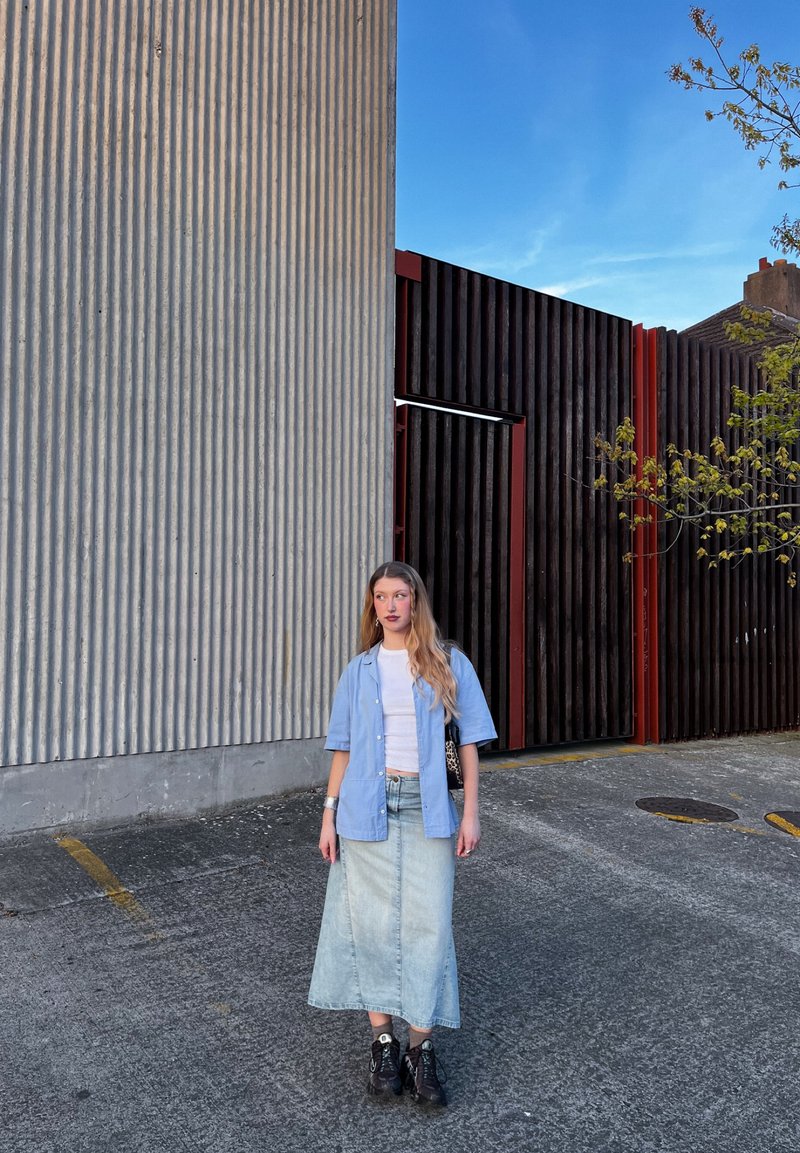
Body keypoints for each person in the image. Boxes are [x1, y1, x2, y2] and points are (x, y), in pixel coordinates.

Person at [307, 561, 497, 1108]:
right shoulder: (359, 670)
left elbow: (469, 743)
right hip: (365, 806)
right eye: (380, 596)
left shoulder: (448, 661)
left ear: (416, 601)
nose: (389, 606)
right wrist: (328, 814)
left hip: (427, 806)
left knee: (429, 926)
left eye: (399, 595)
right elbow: (343, 748)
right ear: (372, 606)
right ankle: (383, 1043)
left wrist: (471, 813)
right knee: (367, 923)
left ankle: (421, 1047)